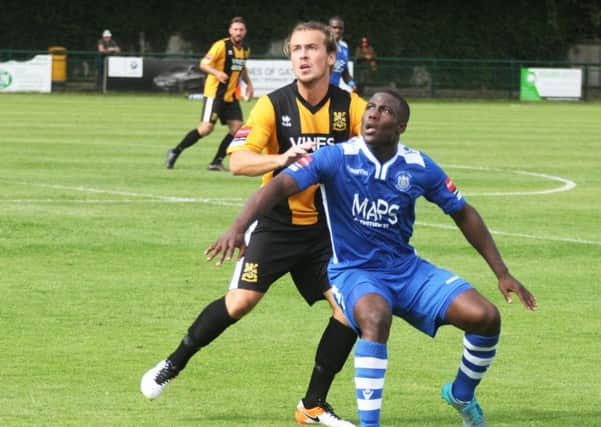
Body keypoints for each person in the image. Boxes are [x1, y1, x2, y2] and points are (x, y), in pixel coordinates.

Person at [205, 90, 538, 427]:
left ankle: (462, 394)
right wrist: (237, 226)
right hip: (354, 272)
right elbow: (277, 187)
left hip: (406, 270)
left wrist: (502, 272)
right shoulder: (335, 157)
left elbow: (463, 213)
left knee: (486, 316)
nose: (373, 114)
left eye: (385, 110)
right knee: (375, 316)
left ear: (401, 126)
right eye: (371, 108)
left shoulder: (419, 166)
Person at [142, 21, 367, 427]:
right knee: (241, 302)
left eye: (312, 48)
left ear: (331, 58)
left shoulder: (351, 107)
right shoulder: (272, 105)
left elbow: (380, 150)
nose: (302, 55)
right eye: (296, 48)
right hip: (276, 226)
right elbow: (238, 160)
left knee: (349, 311)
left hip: (324, 233)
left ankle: (313, 406)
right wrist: (280, 159)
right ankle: (172, 364)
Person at [165, 16, 254, 171]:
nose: (238, 32)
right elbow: (203, 64)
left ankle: (216, 162)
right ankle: (175, 151)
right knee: (206, 128)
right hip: (215, 95)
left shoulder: (245, 49)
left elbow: (242, 67)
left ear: (245, 32)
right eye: (235, 29)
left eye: (241, 30)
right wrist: (217, 73)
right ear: (230, 31)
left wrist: (249, 84)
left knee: (238, 129)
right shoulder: (221, 46)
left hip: (230, 96)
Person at [328, 16, 357, 92]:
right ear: (329, 29)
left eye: (340, 28)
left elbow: (344, 72)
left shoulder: (344, 46)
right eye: (334, 27)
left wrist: (352, 84)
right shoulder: (323, 45)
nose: (337, 30)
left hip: (334, 90)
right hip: (320, 90)